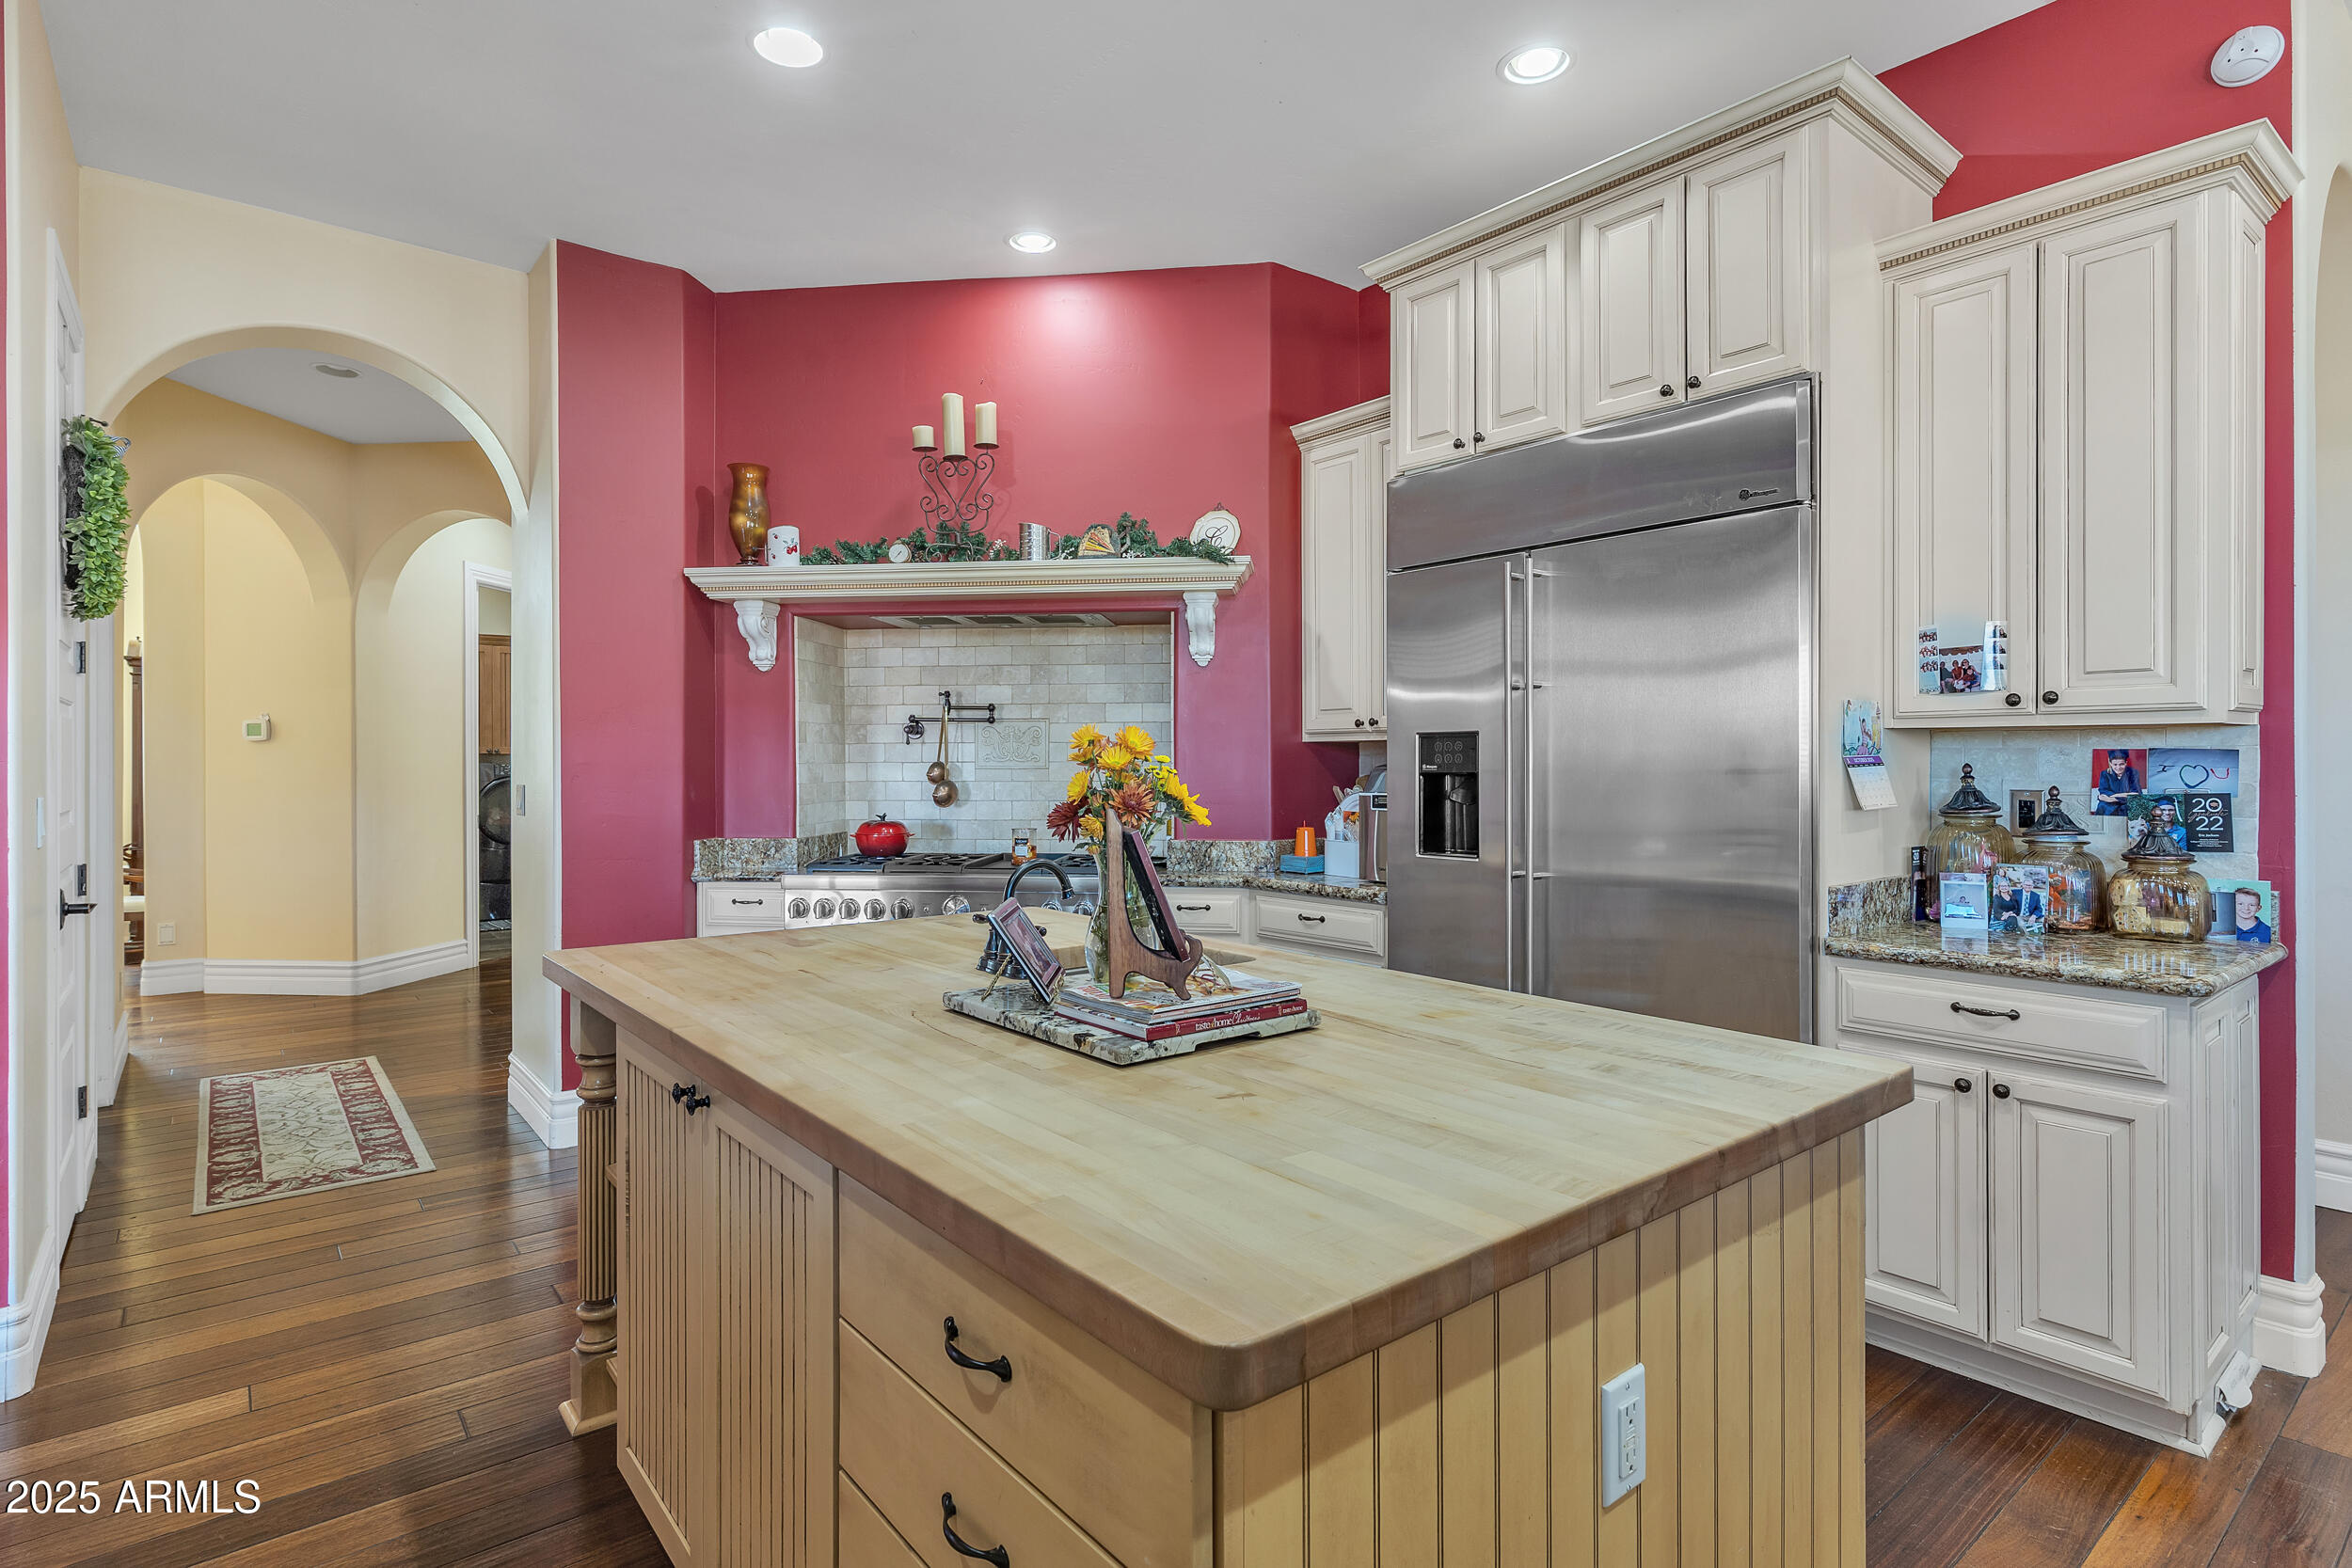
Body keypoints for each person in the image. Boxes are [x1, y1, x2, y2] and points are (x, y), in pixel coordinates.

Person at [2092, 751, 2141, 815]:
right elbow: (2103, 791)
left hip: (2126, 802)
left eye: (2121, 764)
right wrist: (2123, 796)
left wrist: (2112, 798)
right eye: (2115, 764)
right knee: (2103, 806)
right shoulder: (2105, 774)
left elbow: (2136, 793)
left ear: (2126, 763)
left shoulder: (2133, 773)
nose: (2118, 768)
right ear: (2110, 763)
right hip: (2108, 803)